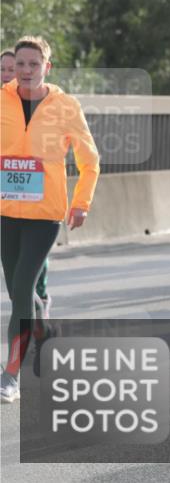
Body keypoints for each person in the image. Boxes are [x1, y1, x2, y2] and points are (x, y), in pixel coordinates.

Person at [1, 37, 100, 404]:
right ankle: (43, 332)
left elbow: (91, 160)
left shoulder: (65, 106)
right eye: (21, 64)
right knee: (16, 291)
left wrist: (81, 203)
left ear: (47, 67)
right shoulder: (1, 101)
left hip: (45, 213)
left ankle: (10, 373)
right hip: (6, 211)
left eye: (34, 64)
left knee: (24, 285)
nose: (26, 71)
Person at [2, 49, 58, 309]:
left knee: (31, 268)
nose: (7, 75)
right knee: (16, 282)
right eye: (2, 70)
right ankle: (32, 308)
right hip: (6, 201)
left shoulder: (48, 103)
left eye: (11, 70)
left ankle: (40, 300)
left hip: (38, 201)